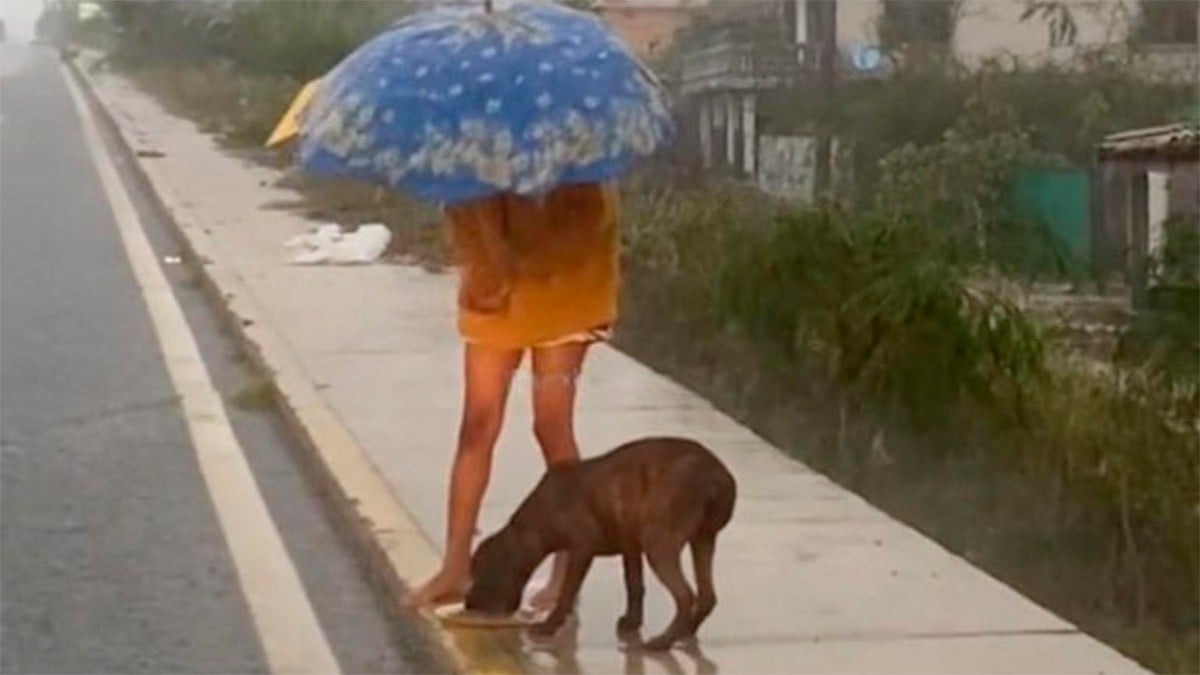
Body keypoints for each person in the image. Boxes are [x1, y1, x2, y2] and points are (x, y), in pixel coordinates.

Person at [410, 181, 621, 612]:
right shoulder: (473, 141)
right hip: (495, 286)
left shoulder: (575, 148)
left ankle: (567, 571)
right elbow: (464, 219)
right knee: (477, 425)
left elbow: (595, 220)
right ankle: (455, 566)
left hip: (567, 284)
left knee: (551, 425)